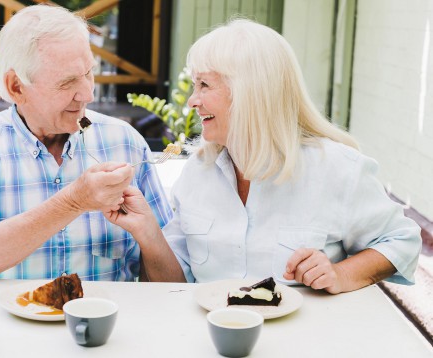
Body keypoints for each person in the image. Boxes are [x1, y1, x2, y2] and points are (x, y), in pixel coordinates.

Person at [105, 19, 422, 294]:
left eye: (204, 84)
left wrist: (340, 273)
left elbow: (402, 241)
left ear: (250, 91)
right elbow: (174, 286)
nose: (192, 101)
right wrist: (146, 231)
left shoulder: (338, 168)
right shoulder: (197, 172)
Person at [0, 4, 172, 282]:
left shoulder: (125, 141)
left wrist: (148, 235)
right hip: (12, 323)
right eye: (67, 82)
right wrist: (74, 201)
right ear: (16, 86)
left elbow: (173, 285)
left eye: (89, 73)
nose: (87, 94)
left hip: (108, 323)